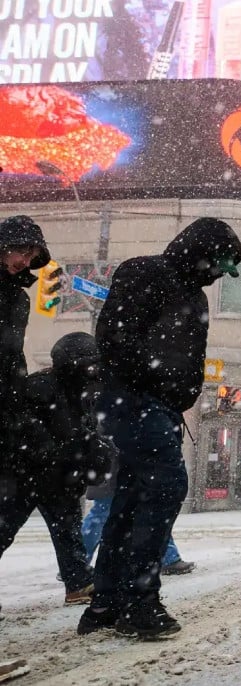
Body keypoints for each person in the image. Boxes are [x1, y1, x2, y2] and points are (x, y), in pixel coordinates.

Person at [78, 217, 241, 640]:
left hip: (161, 407)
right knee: (167, 486)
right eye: (219, 264)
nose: (217, 275)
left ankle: (106, 602)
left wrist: (182, 394)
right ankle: (139, 600)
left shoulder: (196, 298)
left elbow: (191, 356)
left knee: (131, 500)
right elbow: (114, 337)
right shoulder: (144, 272)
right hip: (133, 399)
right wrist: (160, 383)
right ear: (200, 251)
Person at [0, 332, 110, 607]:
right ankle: (78, 582)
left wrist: (91, 454)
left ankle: (78, 583)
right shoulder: (38, 387)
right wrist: (52, 452)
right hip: (27, 476)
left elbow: (83, 433)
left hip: (59, 478)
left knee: (68, 531)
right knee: (5, 528)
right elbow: (25, 431)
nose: (92, 370)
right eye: (88, 364)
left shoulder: (83, 391)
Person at [0, 215, 52, 625]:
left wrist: (19, 407)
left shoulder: (18, 298)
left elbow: (11, 357)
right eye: (21, 251)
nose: (25, 261)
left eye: (32, 256)